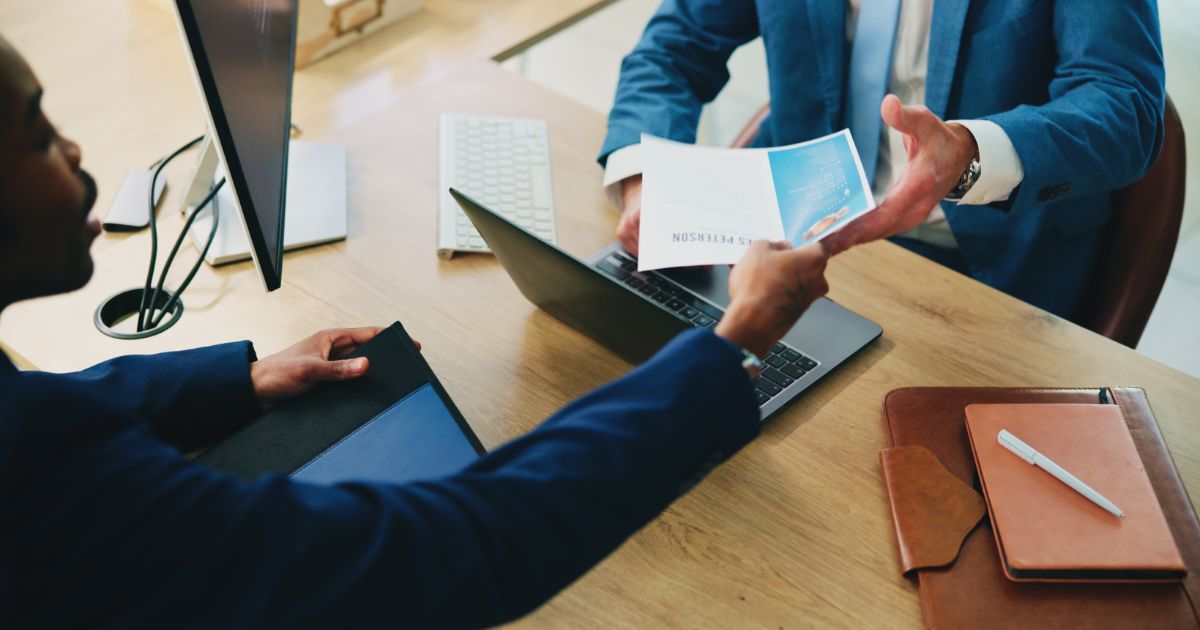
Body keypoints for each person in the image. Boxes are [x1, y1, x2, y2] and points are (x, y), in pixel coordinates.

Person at [0, 35, 833, 627]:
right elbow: (456, 549)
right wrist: (732, 346)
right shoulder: (49, 475)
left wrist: (236, 381)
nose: (75, 151)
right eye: (40, 136)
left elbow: (41, 407)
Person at [600, 0, 1166, 319]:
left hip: (985, 267)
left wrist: (970, 152)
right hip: (788, 235)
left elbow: (1125, 102)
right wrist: (647, 180)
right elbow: (674, 47)